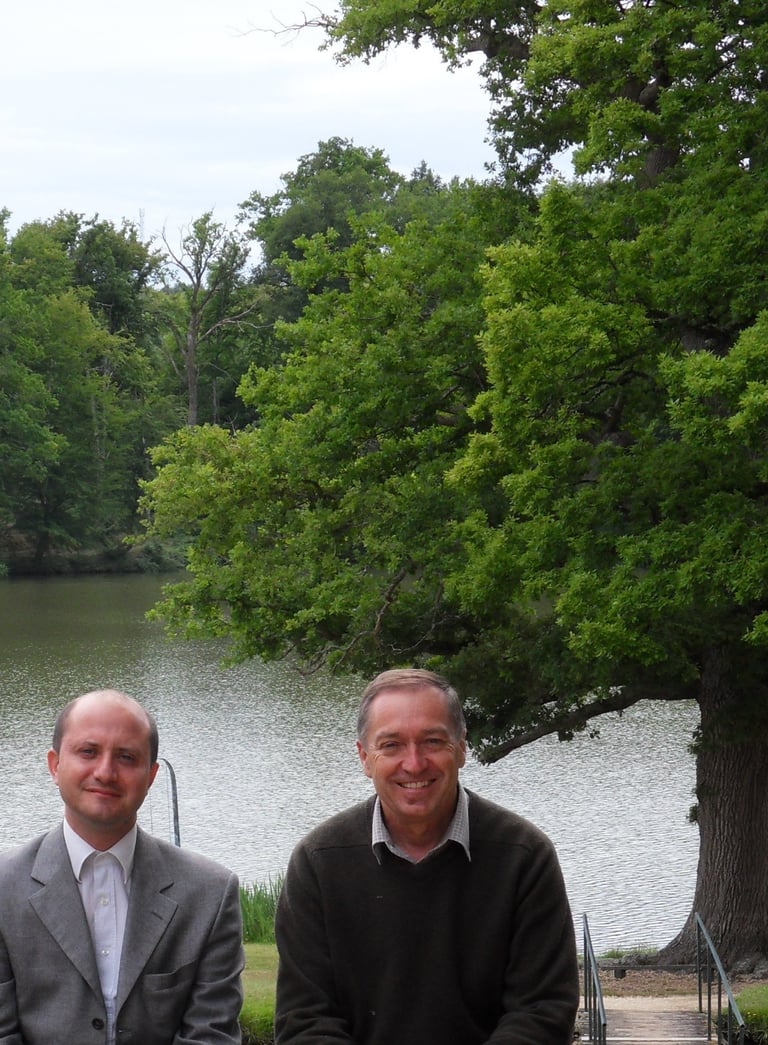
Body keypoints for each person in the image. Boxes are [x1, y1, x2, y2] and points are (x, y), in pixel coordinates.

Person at [274, 668, 580, 1045]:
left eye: (433, 741)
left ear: (462, 747)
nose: (414, 763)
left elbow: (541, 1012)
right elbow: (304, 1020)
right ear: (364, 757)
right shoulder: (318, 862)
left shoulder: (524, 857)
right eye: (391, 745)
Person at [0, 688, 244, 1045]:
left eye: (127, 757)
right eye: (88, 751)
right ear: (55, 765)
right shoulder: (4, 889)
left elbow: (211, 1035)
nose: (106, 772)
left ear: (151, 775)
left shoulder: (209, 893)